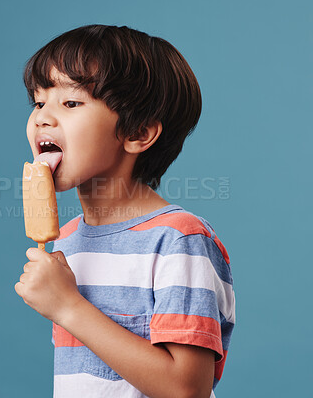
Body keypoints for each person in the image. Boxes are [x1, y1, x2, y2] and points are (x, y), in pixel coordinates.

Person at [15, 24, 235, 398]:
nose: (42, 118)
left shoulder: (178, 239)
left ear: (137, 133)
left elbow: (187, 389)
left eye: (70, 103)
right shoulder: (67, 239)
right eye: (38, 102)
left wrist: (69, 307)